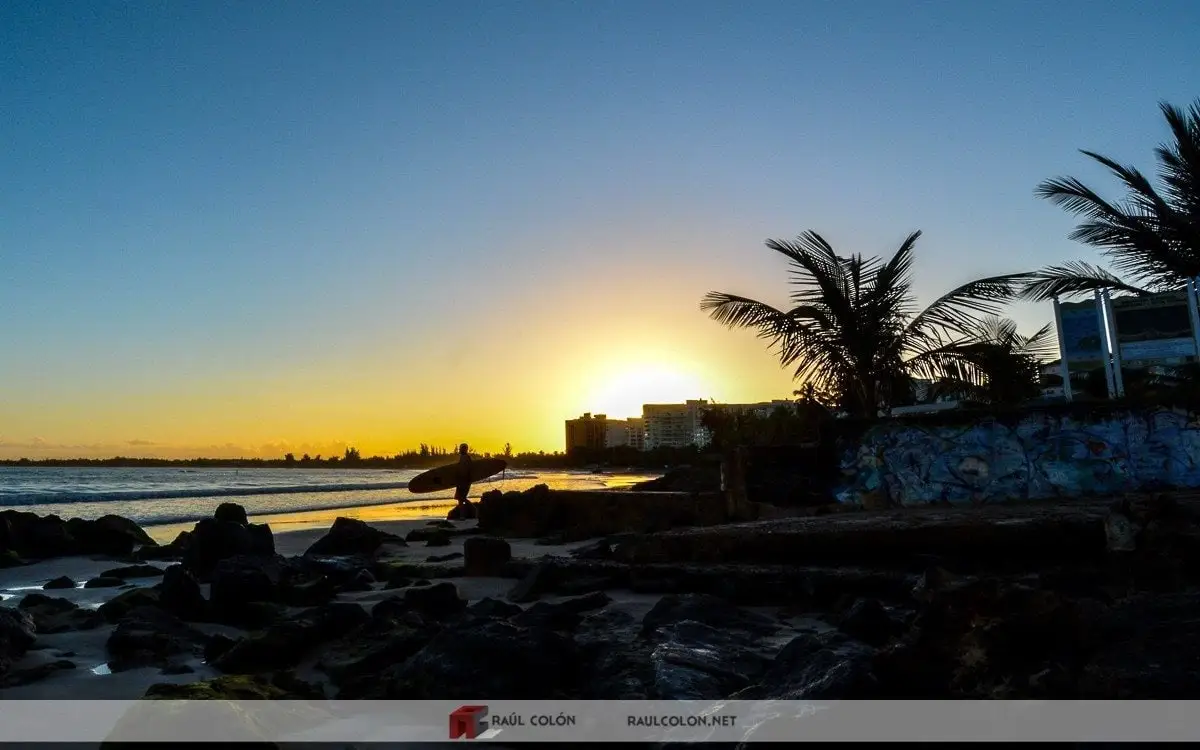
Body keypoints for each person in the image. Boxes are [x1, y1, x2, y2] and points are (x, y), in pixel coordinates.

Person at [454, 443, 473, 513]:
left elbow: (469, 470)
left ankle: (473, 510)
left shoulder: (467, 457)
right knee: (460, 499)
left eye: (461, 448)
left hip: (464, 482)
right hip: (460, 482)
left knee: (461, 498)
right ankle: (462, 515)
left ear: (465, 449)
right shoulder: (461, 457)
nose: (460, 449)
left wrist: (468, 481)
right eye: (460, 448)